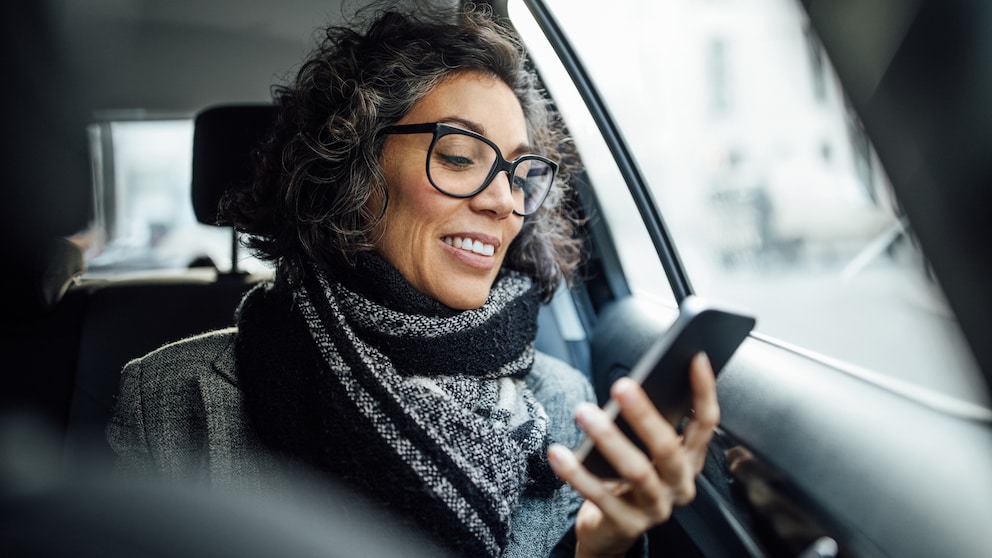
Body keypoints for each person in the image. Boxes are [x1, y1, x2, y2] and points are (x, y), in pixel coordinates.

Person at [107, 3, 719, 557]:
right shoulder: (172, 397)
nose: (504, 202)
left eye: (518, 173)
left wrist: (599, 547)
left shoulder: (566, 402)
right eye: (458, 157)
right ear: (352, 169)